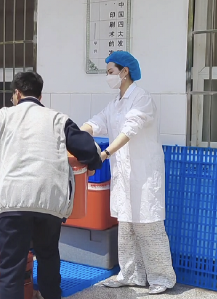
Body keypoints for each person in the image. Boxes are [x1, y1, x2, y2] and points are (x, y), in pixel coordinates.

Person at [0, 71, 103, 299]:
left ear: (17, 93)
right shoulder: (58, 118)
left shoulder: (4, 115)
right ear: (40, 95)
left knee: (11, 269)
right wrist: (94, 163)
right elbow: (90, 150)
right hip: (50, 202)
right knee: (48, 257)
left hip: (12, 202)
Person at [81, 51, 176, 295]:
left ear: (125, 72)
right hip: (124, 175)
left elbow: (130, 129)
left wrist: (105, 154)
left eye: (111, 71)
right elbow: (97, 121)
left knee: (149, 226)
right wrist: (79, 132)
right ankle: (131, 274)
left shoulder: (141, 98)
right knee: (127, 226)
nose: (108, 76)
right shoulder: (116, 104)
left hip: (144, 175)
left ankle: (162, 278)